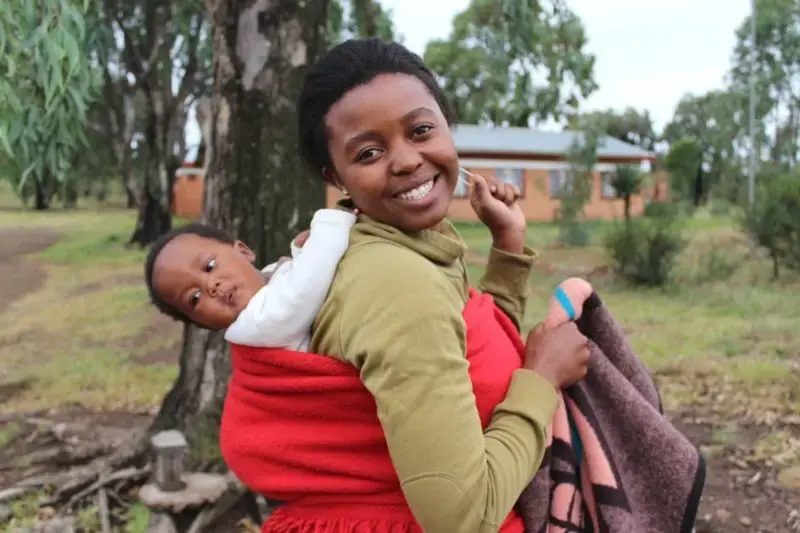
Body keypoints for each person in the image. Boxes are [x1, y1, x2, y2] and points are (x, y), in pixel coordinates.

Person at [219, 38, 591, 533]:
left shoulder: (404, 242)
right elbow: (462, 516)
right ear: (337, 175)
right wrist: (542, 380)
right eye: (369, 152)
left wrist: (507, 245)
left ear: (446, 126)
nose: (407, 160)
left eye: (420, 130)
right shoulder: (397, 281)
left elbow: (470, 356)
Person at [143, 207, 355, 349]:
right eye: (195, 297)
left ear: (244, 251)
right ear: (205, 324)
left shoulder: (268, 278)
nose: (211, 286)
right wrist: (331, 224)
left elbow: (295, 276)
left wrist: (300, 252)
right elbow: (307, 287)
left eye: (209, 266)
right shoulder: (257, 324)